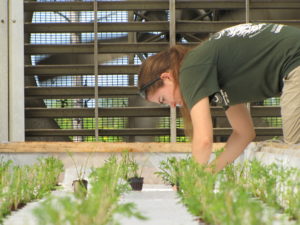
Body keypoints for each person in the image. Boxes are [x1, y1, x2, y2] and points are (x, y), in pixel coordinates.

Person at [138, 23, 300, 172]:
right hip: (293, 59)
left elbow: (204, 140)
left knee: (294, 146)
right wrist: (209, 172)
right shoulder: (212, 71)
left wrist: (190, 181)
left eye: (163, 99)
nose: (171, 105)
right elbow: (244, 133)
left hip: (295, 61)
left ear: (167, 77)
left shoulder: (190, 69)